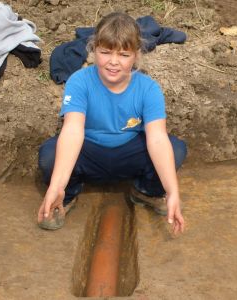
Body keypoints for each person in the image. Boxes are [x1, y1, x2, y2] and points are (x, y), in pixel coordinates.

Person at [37, 12, 187, 234]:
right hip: (89, 151)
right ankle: (65, 195)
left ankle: (146, 191)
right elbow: (72, 131)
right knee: (49, 156)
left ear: (136, 55)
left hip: (129, 153)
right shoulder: (80, 81)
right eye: (105, 52)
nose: (113, 62)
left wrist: (172, 191)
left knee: (174, 150)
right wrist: (56, 185)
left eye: (124, 55)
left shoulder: (148, 88)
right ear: (94, 49)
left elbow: (156, 138)